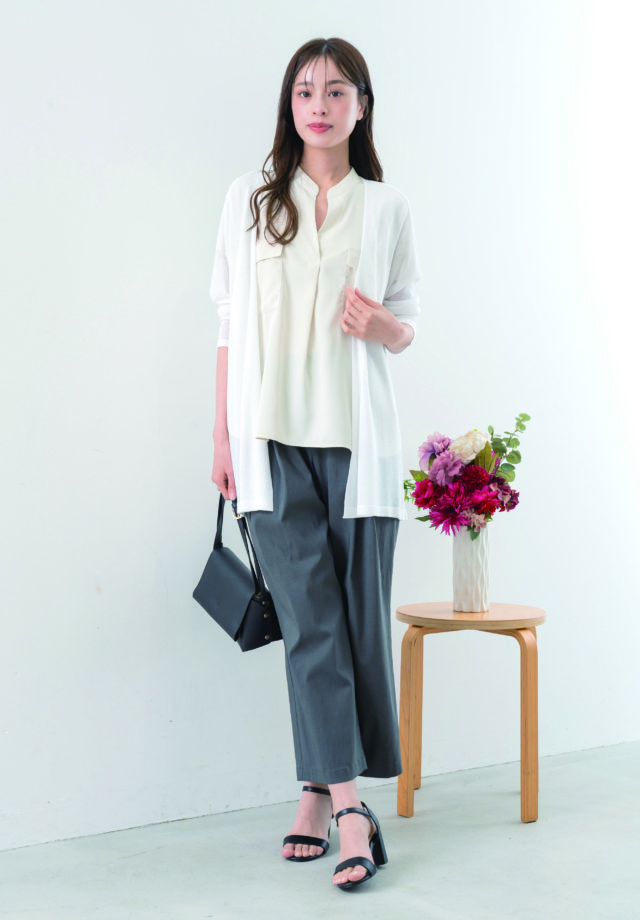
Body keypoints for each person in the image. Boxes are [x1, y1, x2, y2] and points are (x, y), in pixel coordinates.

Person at [209, 37, 420, 891]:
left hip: (360, 446)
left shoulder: (388, 206)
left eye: (336, 91)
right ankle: (352, 808)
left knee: (353, 627)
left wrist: (383, 327)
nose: (320, 105)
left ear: (362, 106)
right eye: (305, 91)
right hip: (268, 443)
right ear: (289, 105)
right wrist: (221, 437)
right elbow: (229, 321)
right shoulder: (252, 198)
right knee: (312, 623)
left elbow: (407, 322)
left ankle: (312, 795)